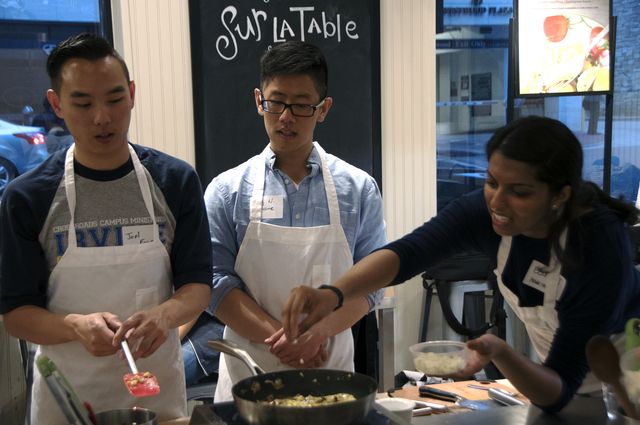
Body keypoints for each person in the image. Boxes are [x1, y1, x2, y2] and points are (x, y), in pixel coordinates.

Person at [282, 116, 640, 413]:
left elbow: (557, 390)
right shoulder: (490, 214)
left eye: (520, 192)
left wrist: (503, 353)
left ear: (560, 195)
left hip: (627, 387)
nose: (498, 202)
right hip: (563, 389)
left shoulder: (598, 247)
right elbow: (408, 254)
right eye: (492, 182)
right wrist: (334, 293)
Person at [0, 33, 212, 423]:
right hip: (68, 401)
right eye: (83, 103)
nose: (102, 117)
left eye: (115, 99)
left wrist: (165, 314)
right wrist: (74, 326)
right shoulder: (27, 197)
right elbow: (15, 313)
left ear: (131, 94)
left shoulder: (175, 181)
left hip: (156, 399)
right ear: (56, 105)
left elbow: (197, 287)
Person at [206, 40, 386, 402]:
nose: (286, 117)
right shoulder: (226, 191)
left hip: (331, 373)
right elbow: (214, 283)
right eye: (276, 102)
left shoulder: (358, 189)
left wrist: (317, 334)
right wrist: (284, 338)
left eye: (302, 105)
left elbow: (372, 283)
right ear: (260, 101)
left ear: (323, 109)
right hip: (249, 375)